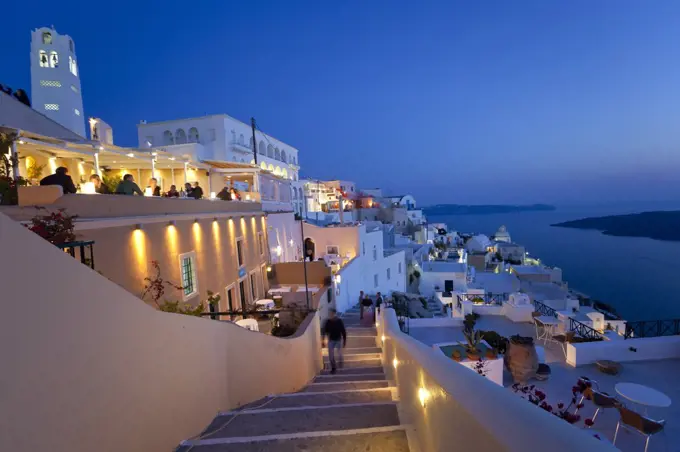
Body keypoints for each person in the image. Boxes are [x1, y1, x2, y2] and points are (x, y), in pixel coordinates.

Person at [322, 308, 346, 374]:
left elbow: (343, 331)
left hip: (338, 339)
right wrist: (323, 340)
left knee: (340, 354)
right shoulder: (328, 322)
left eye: (332, 313)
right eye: (330, 313)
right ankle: (333, 368)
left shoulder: (339, 321)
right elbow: (324, 331)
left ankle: (340, 362)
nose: (330, 314)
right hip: (331, 340)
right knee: (331, 355)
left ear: (334, 314)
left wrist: (344, 340)